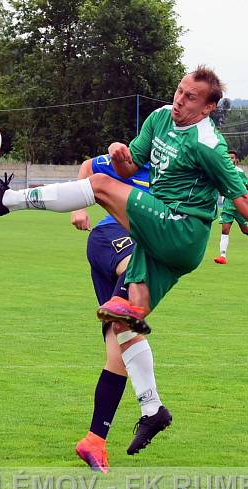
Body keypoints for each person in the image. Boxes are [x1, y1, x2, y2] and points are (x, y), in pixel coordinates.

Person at [0, 65, 248, 455]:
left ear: (209, 108)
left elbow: (242, 198)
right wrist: (119, 156)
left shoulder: (208, 144)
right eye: (179, 91)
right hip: (158, 238)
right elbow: (130, 167)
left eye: (190, 98)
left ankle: (6, 201)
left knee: (98, 187)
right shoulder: (160, 119)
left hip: (181, 231)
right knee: (123, 328)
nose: (180, 101)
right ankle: (132, 421)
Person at [71, 155, 160, 473]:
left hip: (138, 246)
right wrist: (79, 206)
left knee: (120, 349)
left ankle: (94, 440)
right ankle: (153, 406)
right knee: (134, 268)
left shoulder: (176, 175)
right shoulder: (135, 160)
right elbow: (88, 166)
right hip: (109, 238)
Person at [213, 150, 248, 264]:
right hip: (228, 205)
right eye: (228, 158)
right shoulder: (223, 171)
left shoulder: (239, 172)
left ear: (236, 160)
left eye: (232, 158)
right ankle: (223, 256)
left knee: (245, 230)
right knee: (225, 229)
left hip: (240, 206)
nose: (230, 160)